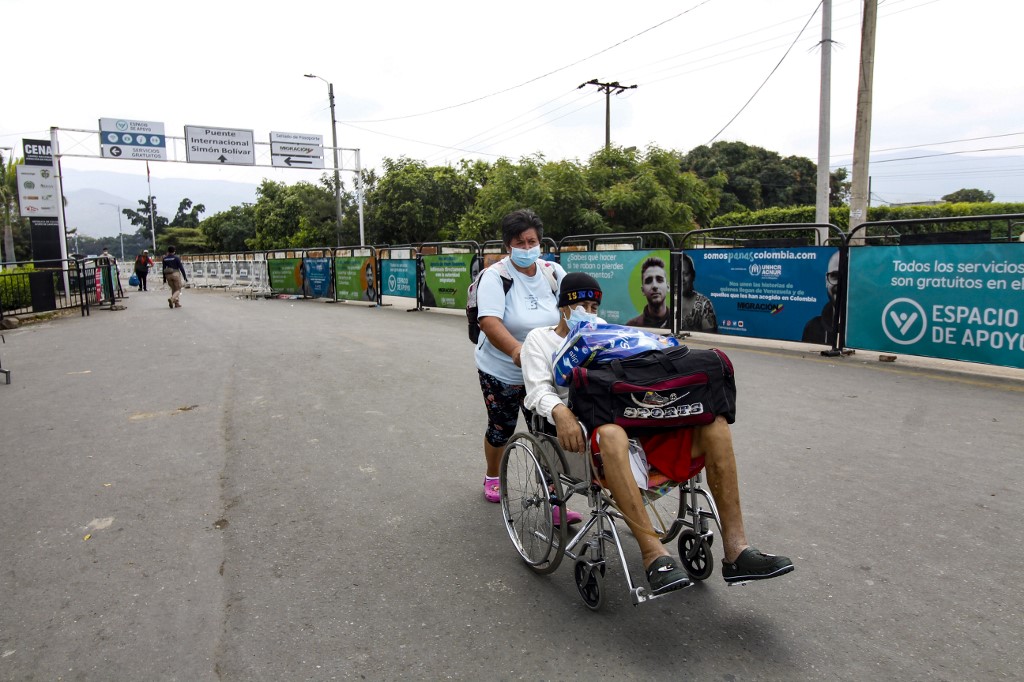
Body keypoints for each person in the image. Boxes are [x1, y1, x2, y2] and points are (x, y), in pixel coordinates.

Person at [522, 272, 794, 594]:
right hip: (587, 431)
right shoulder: (539, 340)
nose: (588, 312)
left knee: (715, 426)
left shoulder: (609, 333)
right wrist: (560, 411)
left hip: (638, 417)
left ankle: (737, 551)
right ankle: (653, 554)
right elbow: (537, 390)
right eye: (581, 304)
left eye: (594, 305)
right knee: (611, 434)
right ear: (563, 307)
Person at [474, 209, 568, 508]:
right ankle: (492, 475)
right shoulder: (496, 276)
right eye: (520, 242)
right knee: (502, 427)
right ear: (508, 246)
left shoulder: (553, 273)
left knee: (548, 432)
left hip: (543, 371)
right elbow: (489, 321)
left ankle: (554, 498)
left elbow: (572, 312)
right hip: (501, 369)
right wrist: (518, 351)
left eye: (532, 241)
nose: (527, 248)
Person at [802, 251, 841, 345]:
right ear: (826, 280)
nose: (841, 283)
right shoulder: (813, 327)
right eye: (835, 276)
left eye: (847, 276)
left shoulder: (869, 328)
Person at [626, 256, 671, 329]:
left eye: (659, 280)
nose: (654, 286)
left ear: (668, 287)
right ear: (643, 290)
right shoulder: (631, 327)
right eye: (649, 281)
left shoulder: (680, 325)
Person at [679, 253, 718, 333]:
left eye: (685, 274)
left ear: (693, 276)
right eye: (678, 274)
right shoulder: (667, 302)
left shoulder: (704, 304)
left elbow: (710, 337)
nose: (682, 278)